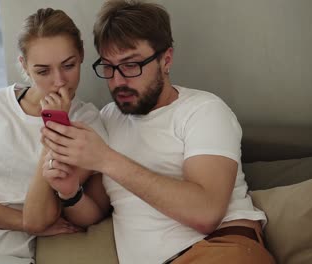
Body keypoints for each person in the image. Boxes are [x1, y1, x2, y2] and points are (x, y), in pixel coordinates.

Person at [33, 1, 276, 263]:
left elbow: (206, 213)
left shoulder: (203, 111)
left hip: (219, 249)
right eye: (108, 67)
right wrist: (70, 193)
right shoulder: (107, 119)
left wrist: (105, 159)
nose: (118, 81)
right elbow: (95, 212)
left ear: (166, 59)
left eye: (131, 65)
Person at [0, 7, 107, 260]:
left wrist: (55, 125)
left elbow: (39, 217)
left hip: (10, 253)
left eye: (68, 65)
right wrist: (20, 221)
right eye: (43, 71)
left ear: (82, 54)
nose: (59, 81)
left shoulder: (88, 122)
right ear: (24, 66)